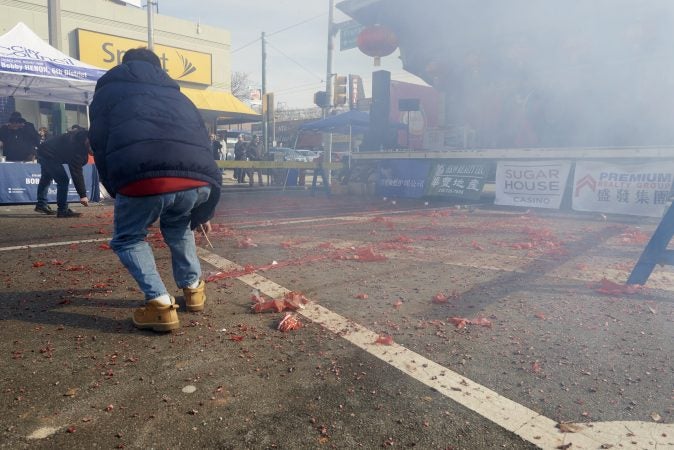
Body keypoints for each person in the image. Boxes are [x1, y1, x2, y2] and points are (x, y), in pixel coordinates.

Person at [88, 47, 222, 333]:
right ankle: (194, 289)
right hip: (198, 180)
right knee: (180, 227)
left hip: (144, 177)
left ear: (124, 66)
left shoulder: (107, 94)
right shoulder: (180, 96)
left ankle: (160, 304)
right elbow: (203, 144)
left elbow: (99, 144)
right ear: (159, 69)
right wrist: (203, 207)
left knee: (128, 238)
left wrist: (116, 187)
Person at [35, 126, 91, 217]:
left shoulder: (82, 137)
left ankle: (41, 204)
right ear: (87, 140)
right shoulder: (74, 147)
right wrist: (83, 195)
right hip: (48, 154)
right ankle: (62, 210)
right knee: (63, 180)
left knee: (46, 178)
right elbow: (76, 172)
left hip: (45, 150)